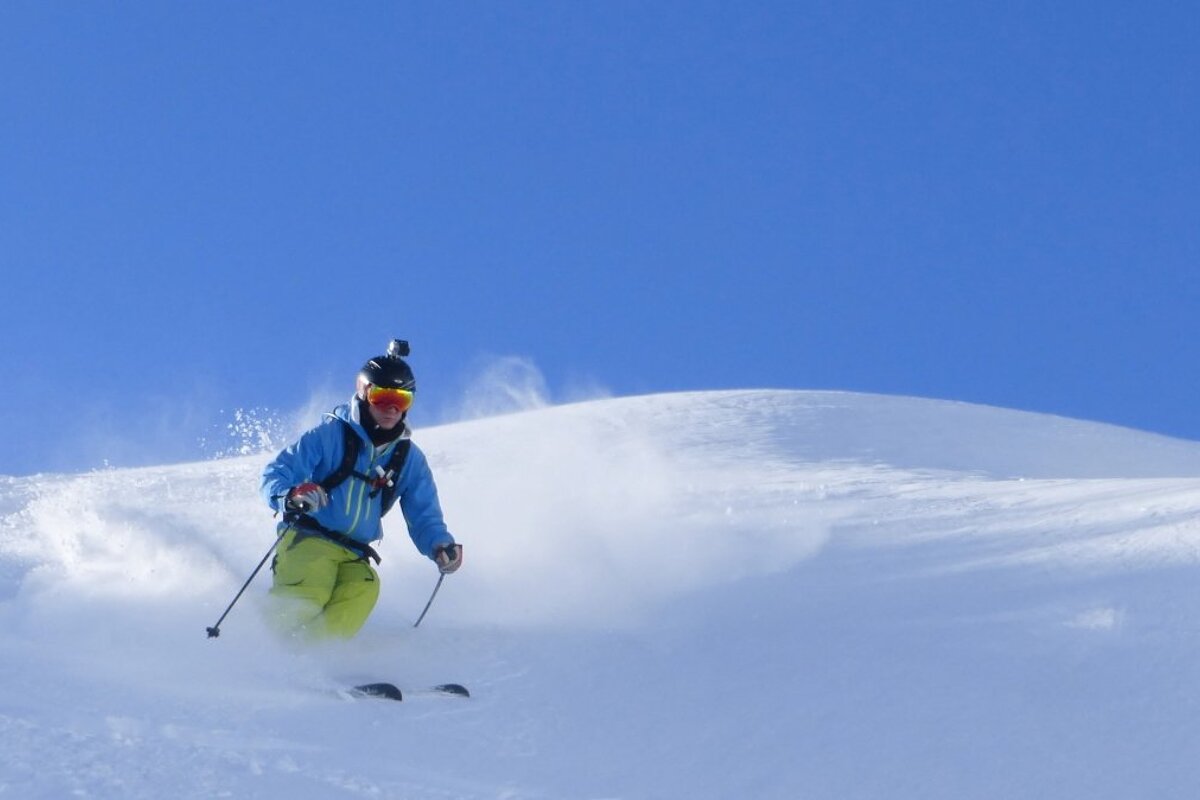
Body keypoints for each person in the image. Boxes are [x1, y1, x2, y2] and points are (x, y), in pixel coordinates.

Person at [260, 339, 462, 639]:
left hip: (355, 553)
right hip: (309, 538)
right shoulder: (331, 435)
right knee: (309, 590)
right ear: (364, 393)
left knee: (363, 588)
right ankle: (271, 655)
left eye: (403, 400)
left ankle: (320, 661)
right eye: (382, 397)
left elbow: (424, 513)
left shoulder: (408, 458)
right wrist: (290, 495)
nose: (392, 409)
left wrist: (439, 545)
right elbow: (278, 472)